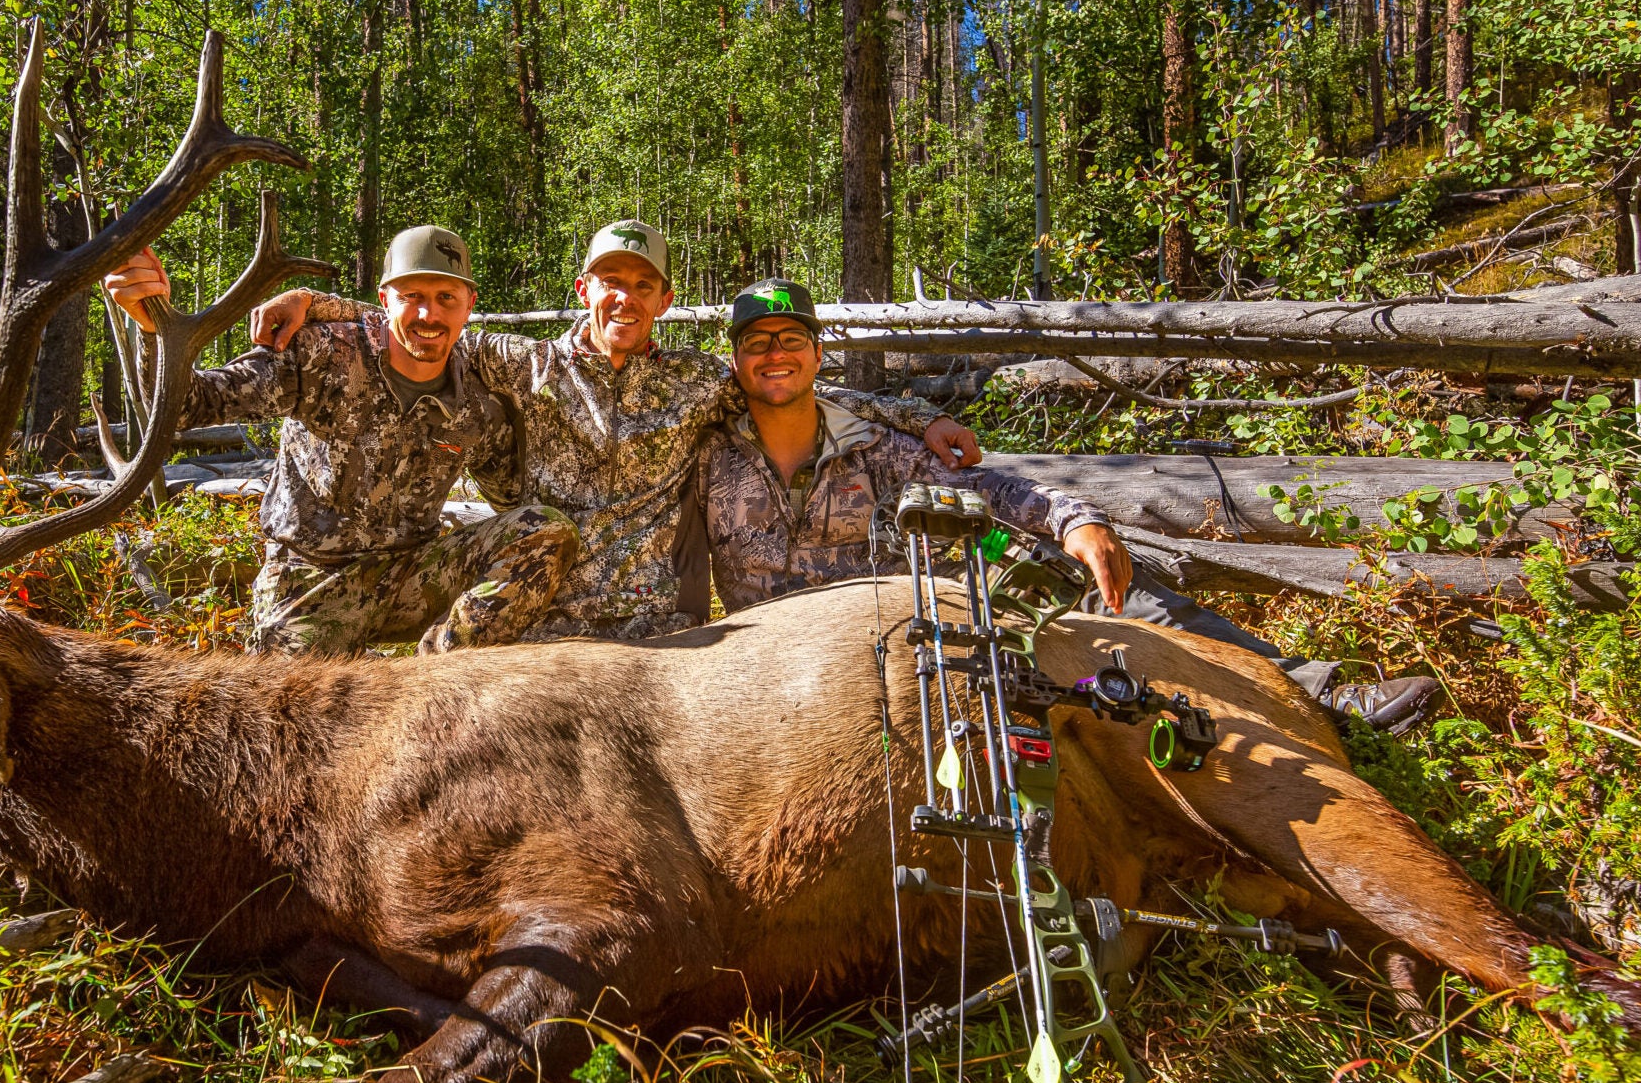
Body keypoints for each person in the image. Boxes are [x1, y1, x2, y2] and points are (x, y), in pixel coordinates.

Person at [698, 277, 1441, 733]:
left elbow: (985, 489)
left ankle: (1319, 694)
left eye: (791, 337)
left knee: (1100, 582)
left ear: (818, 352)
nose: (775, 354)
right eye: (757, 342)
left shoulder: (871, 444)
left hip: (900, 625)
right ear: (734, 360)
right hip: (775, 669)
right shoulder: (704, 450)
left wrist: (1073, 518)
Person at [251, 219, 984, 640]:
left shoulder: (696, 383)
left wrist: (923, 416)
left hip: (651, 634)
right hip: (537, 622)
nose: (624, 299)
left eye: (642, 285)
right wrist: (318, 303)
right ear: (585, 290)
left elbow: (788, 380)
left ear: (663, 298)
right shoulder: (522, 364)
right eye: (611, 282)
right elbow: (421, 324)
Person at [103, 226, 580, 655]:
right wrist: (152, 327)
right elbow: (192, 405)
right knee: (291, 721)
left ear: (469, 303)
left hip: (411, 577)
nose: (427, 313)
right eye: (411, 295)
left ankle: (437, 677)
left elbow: (514, 498)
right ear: (384, 298)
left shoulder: (476, 405)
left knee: (544, 529)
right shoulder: (321, 356)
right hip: (310, 581)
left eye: (445, 297)